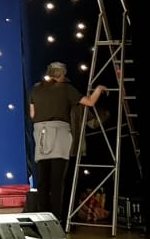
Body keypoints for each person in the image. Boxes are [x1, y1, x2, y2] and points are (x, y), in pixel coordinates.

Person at [27, 62, 107, 223]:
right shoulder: (66, 89)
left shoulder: (36, 89)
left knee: (43, 181)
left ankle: (42, 219)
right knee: (57, 183)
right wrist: (99, 89)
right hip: (59, 134)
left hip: (41, 135)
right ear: (61, 75)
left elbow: (33, 115)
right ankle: (56, 219)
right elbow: (90, 102)